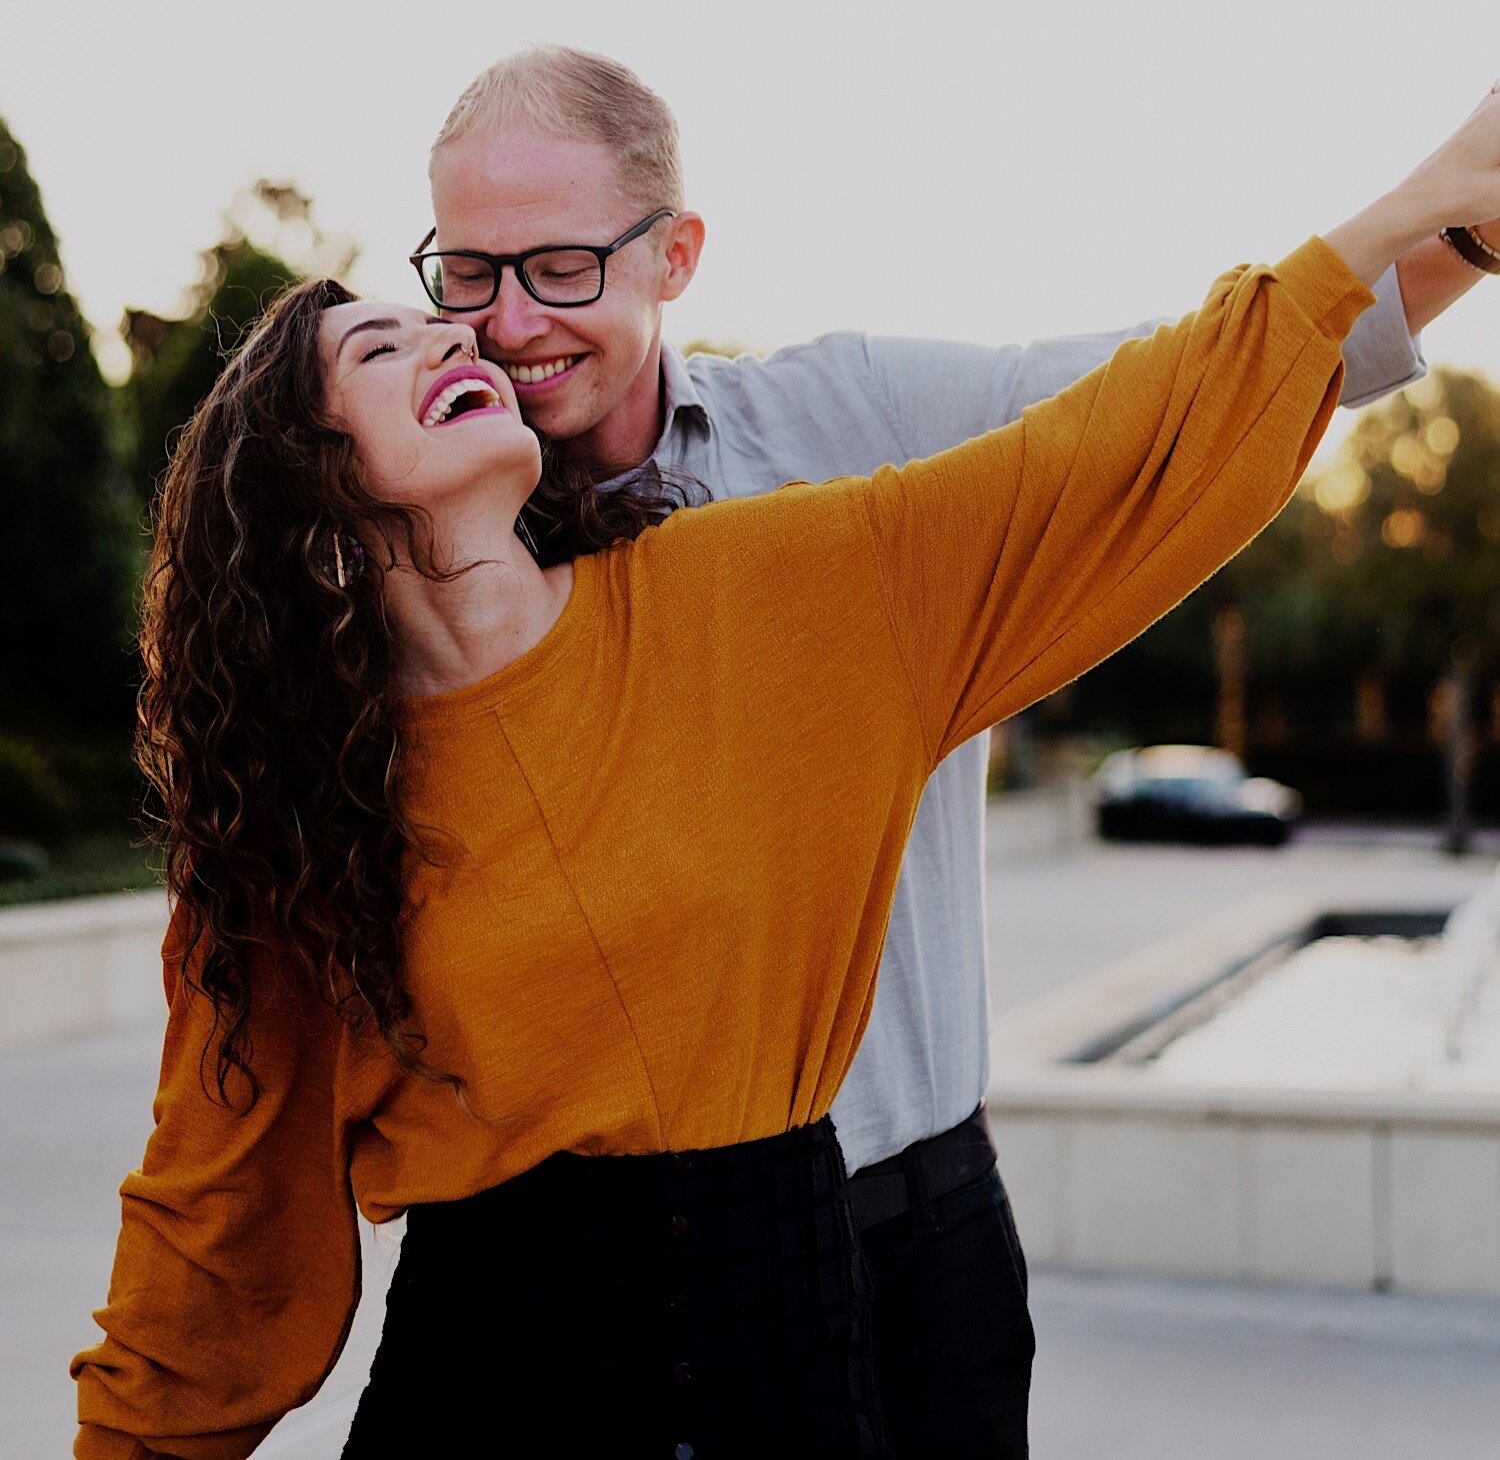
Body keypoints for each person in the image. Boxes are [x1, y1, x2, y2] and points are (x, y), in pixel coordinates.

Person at [73, 88, 1500, 1458]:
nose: (480, 333)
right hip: (492, 1386)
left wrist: (1434, 210)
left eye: (557, 266)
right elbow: (218, 1224)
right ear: (316, 486)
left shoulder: (778, 578)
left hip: (811, 1337)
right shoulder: (311, 806)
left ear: (668, 255)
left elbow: (1124, 428)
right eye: (405, 337)